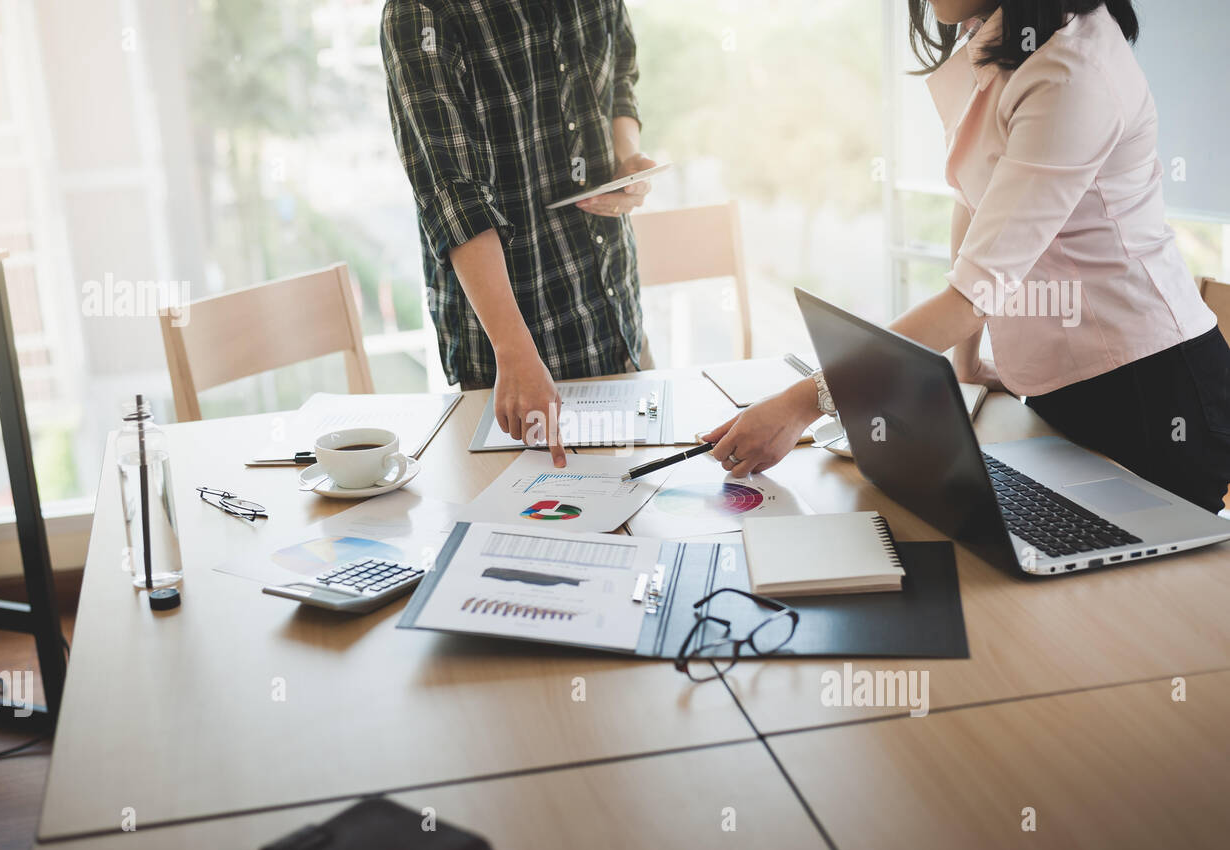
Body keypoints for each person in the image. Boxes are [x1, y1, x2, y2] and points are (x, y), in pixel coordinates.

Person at [706, 0, 1230, 514]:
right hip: (1065, 384)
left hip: (1153, 393)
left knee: (1126, 595)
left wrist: (804, 402)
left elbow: (973, 296)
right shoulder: (998, 35)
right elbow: (973, 198)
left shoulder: (1072, 72)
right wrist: (966, 363)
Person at [381, 0, 656, 467]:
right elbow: (453, 196)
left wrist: (626, 160)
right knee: (526, 531)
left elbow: (621, 76)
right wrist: (515, 350)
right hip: (513, 357)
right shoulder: (420, 12)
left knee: (642, 511)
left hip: (615, 320)